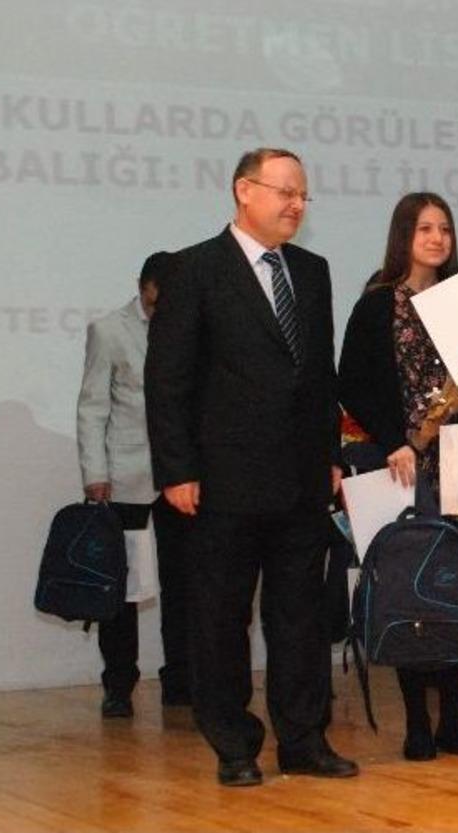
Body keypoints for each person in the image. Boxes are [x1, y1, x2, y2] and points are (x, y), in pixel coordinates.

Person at [145, 147, 356, 786]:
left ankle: (303, 739)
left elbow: (320, 379)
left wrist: (330, 458)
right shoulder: (194, 270)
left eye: (303, 195)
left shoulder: (312, 271)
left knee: (300, 617)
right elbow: (168, 379)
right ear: (244, 191)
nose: (296, 204)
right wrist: (177, 469)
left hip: (300, 481)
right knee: (221, 620)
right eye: (284, 191)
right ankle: (234, 746)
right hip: (222, 483)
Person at [338, 192, 458, 761]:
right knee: (412, 590)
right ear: (403, 235)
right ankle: (416, 725)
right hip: (405, 464)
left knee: (457, 589)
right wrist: (394, 444)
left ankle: (453, 720)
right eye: (425, 228)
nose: (436, 238)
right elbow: (351, 384)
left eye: (445, 229)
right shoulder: (379, 303)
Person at [76, 252, 192, 718]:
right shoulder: (109, 330)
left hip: (180, 479)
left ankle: (180, 680)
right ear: (142, 287)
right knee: (120, 592)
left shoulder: (190, 328)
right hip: (124, 479)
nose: (160, 308)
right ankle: (118, 684)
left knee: (183, 586)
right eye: (154, 300)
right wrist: (94, 473)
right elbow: (92, 406)